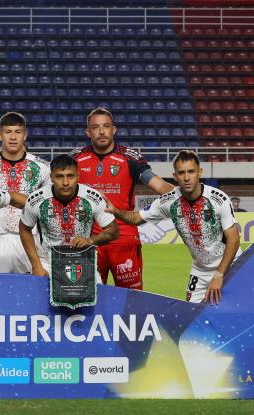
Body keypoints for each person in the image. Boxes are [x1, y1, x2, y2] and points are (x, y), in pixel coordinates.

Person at [106, 150, 241, 305]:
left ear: (199, 172)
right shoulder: (169, 201)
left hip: (232, 265)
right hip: (201, 270)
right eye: (181, 173)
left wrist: (219, 275)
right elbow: (136, 218)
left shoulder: (218, 199)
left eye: (191, 171)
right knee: (190, 315)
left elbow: (234, 239)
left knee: (236, 310)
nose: (186, 177)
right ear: (175, 176)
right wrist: (116, 211)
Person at [70, 107, 174, 290]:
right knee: (87, 298)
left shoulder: (130, 158)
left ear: (114, 130)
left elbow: (161, 187)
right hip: (89, 242)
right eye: (95, 127)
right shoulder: (75, 159)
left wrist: (188, 197)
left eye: (106, 126)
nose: (102, 131)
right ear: (88, 132)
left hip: (124, 240)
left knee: (130, 302)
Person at [19, 155, 119, 278]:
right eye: (59, 176)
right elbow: (24, 229)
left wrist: (90, 240)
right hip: (47, 264)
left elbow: (113, 231)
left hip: (82, 261)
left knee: (94, 295)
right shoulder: (36, 199)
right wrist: (36, 265)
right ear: (51, 177)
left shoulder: (93, 198)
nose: (65, 183)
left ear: (78, 176)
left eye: (70, 176)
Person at [0, 112, 50, 273]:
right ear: (0, 135)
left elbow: (48, 206)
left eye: (18, 132)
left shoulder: (42, 167)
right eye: (8, 132)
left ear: (25, 135)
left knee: (30, 293)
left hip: (29, 240)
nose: (13, 137)